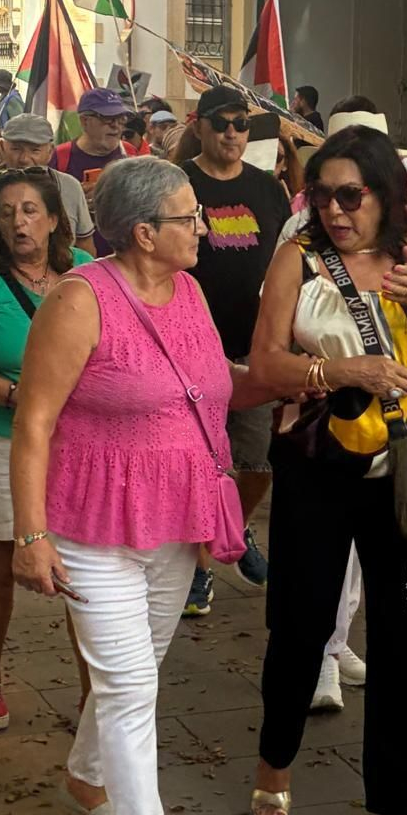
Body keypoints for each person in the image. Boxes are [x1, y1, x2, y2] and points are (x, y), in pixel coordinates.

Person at [10, 156, 268, 815]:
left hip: (170, 520)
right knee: (128, 689)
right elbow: (33, 422)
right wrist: (30, 534)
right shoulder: (79, 300)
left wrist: (310, 374)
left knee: (139, 670)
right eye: (191, 217)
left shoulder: (187, 290)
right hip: (89, 524)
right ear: (145, 231)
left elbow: (210, 383)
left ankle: (86, 783)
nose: (205, 227)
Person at [246, 125, 407, 815]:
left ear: (386, 193)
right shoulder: (300, 257)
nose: (337, 210)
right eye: (323, 195)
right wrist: (345, 374)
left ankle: (390, 807)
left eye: (353, 195)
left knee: (402, 642)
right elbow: (263, 367)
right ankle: (273, 764)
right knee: (300, 621)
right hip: (317, 467)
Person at [0, 169, 93, 730]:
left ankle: (91, 692)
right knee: (2, 563)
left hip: (76, 442)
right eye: (7, 212)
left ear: (55, 218)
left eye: (31, 210)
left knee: (84, 566)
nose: (18, 222)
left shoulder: (86, 274)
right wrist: (21, 396)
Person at [178, 86, 291, 610]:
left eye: (240, 124)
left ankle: (235, 530)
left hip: (253, 346)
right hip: (189, 348)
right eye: (220, 122)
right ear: (198, 126)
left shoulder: (267, 189)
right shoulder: (180, 184)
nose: (231, 133)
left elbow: (290, 257)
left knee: (256, 463)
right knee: (202, 464)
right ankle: (199, 567)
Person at [0, 114, 96, 253]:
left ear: (50, 151)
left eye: (35, 150)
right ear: (2, 147)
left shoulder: (69, 187)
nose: (24, 159)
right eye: (16, 149)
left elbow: (86, 247)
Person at [54, 88, 128, 190]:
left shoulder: (131, 153)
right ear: (84, 121)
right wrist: (75, 199)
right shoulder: (58, 158)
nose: (116, 125)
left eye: (121, 118)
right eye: (107, 118)